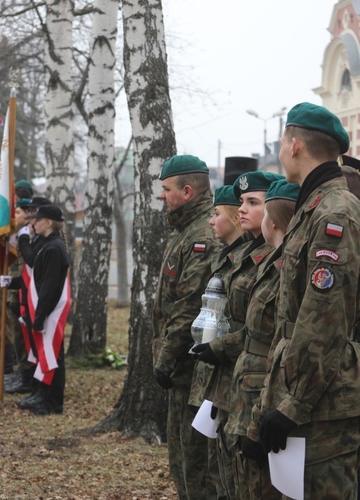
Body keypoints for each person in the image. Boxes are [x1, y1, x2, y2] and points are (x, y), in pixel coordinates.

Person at [254, 102, 360, 497]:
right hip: (308, 396)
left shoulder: (334, 212)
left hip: (323, 404)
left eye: (282, 144)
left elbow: (324, 318)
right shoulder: (312, 207)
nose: (281, 153)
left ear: (294, 145)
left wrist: (293, 404)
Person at [192, 170, 283, 498]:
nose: (242, 208)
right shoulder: (247, 255)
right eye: (241, 202)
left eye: (252, 202)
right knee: (228, 478)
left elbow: (265, 328)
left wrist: (221, 345)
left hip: (252, 381)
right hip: (234, 379)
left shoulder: (272, 258)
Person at [152, 154, 222, 498]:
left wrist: (166, 354)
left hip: (195, 369)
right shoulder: (184, 229)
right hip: (183, 370)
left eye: (167, 189)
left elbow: (190, 304)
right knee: (181, 461)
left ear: (188, 191)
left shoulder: (202, 235)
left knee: (197, 468)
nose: (162, 195)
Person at [228, 179, 299, 499]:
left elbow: (280, 346)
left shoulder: (288, 268)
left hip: (265, 396)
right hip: (249, 390)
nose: (244, 210)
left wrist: (257, 423)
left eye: (256, 204)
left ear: (273, 220)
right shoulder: (269, 260)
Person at [188, 183, 252, 499]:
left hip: (238, 375)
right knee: (218, 471)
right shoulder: (225, 257)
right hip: (219, 374)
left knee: (231, 476)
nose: (212, 221)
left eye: (217, 213)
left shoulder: (250, 260)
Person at [0, 204, 69, 415]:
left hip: (49, 309)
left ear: (48, 223)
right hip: (41, 307)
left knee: (52, 354)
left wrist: (40, 316)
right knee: (43, 353)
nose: (33, 223)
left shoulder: (54, 247)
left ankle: (52, 402)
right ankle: (42, 394)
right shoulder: (46, 244)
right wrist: (12, 282)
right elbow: (36, 277)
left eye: (37, 220)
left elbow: (48, 286)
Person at [0, 180, 34, 376]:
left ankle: (10, 358)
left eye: (22, 196)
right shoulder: (5, 213)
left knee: (10, 319)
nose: (17, 199)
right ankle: (5, 354)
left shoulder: (24, 218)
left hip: (13, 274)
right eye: (16, 195)